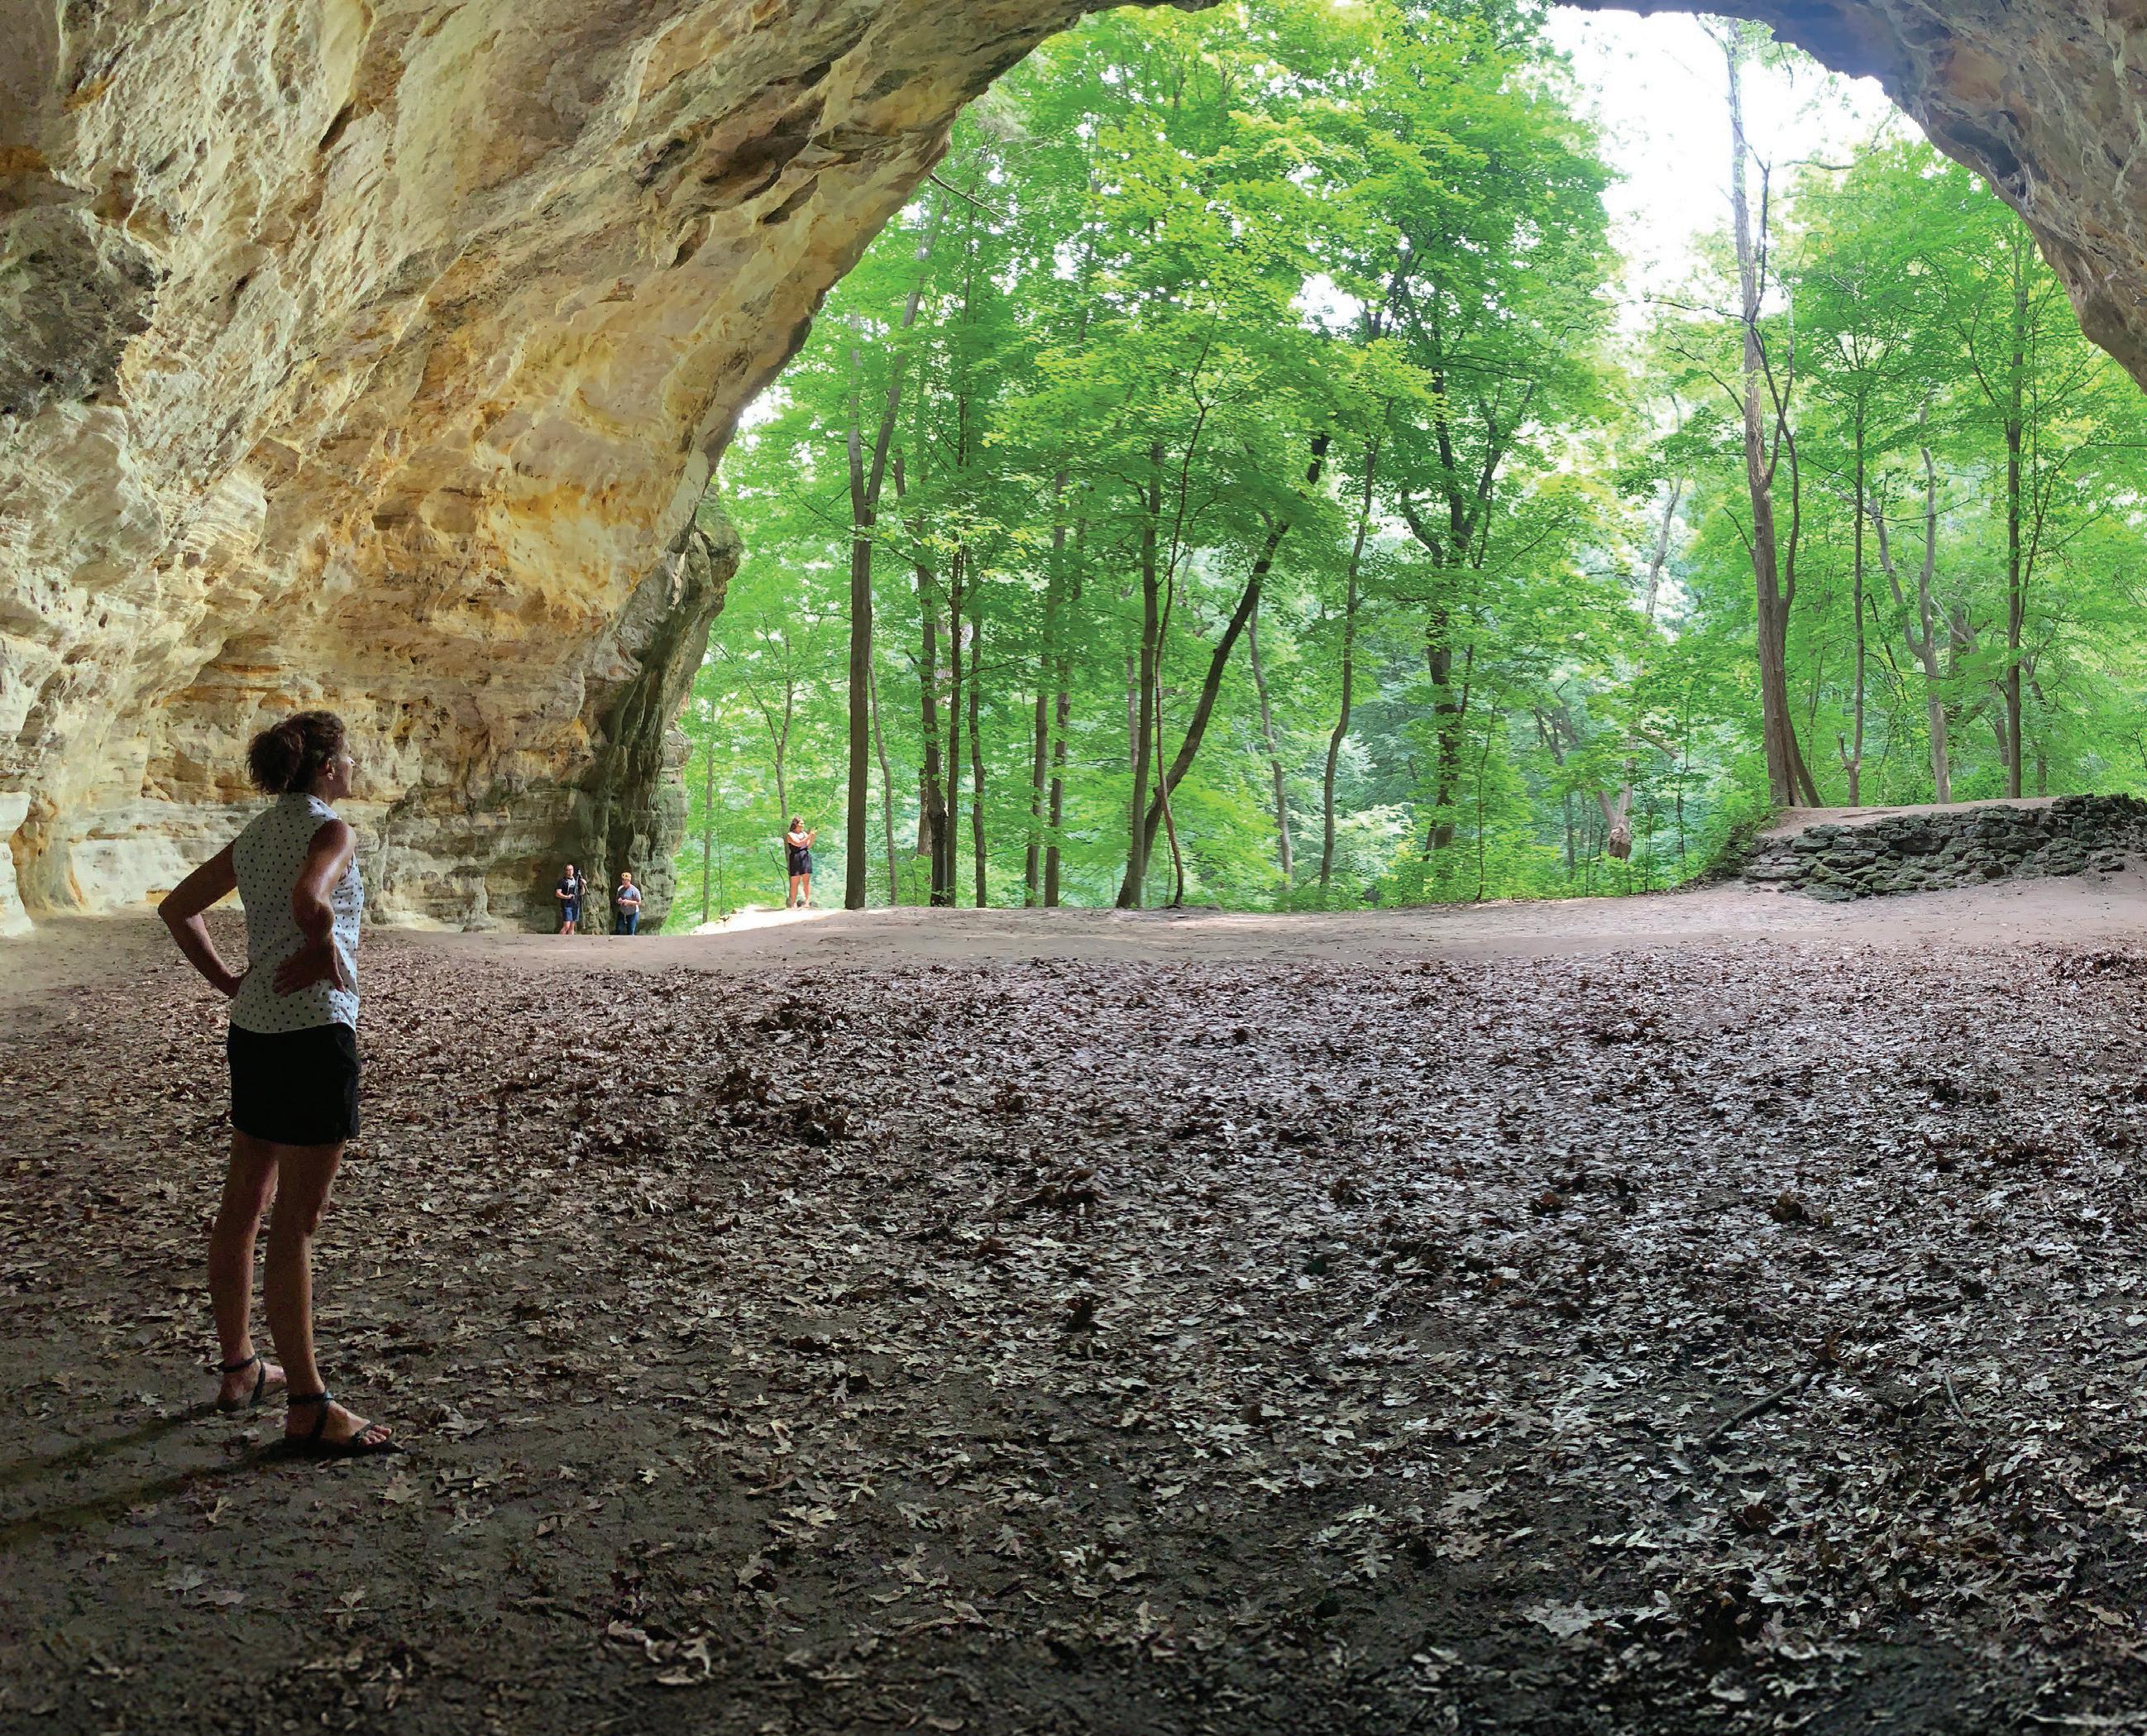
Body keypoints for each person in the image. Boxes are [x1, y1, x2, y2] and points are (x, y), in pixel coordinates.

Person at [156, 710, 398, 1458]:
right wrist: (326, 947)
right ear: (325, 768)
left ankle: (239, 1368)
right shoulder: (333, 831)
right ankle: (309, 1406)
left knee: (243, 1206)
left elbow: (177, 908)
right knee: (296, 1221)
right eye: (347, 756)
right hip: (314, 1033)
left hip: (255, 1030)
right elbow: (309, 901)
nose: (353, 766)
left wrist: (232, 981)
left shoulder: (255, 835)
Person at [784, 817, 815, 909]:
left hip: (805, 856)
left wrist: (812, 838)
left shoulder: (804, 834)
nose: (802, 825)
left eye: (803, 823)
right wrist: (809, 836)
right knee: (795, 882)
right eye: (801, 823)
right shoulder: (790, 835)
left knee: (806, 881)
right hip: (795, 858)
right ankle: (793, 903)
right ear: (795, 824)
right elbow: (798, 843)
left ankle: (807, 901)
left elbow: (808, 846)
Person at [556, 862, 585, 934]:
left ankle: (570, 940)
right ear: (565, 871)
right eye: (568, 870)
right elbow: (558, 893)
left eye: (571, 869)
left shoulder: (576, 881)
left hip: (575, 904)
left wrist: (583, 885)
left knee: (572, 926)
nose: (570, 871)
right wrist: (566, 897)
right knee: (567, 926)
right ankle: (558, 939)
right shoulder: (562, 881)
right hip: (567, 905)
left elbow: (582, 893)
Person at [615, 870, 643, 935]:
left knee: (631, 930)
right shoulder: (620, 889)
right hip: (622, 912)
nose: (624, 882)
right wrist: (619, 900)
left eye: (626, 881)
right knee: (619, 929)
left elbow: (639, 902)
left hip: (633, 913)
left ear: (629, 881)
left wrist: (628, 902)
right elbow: (617, 899)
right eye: (623, 880)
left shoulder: (634, 890)